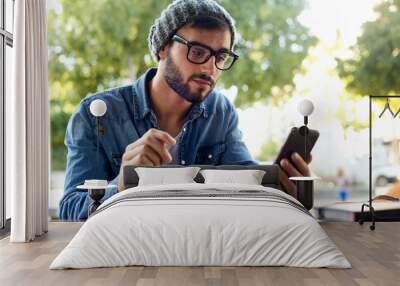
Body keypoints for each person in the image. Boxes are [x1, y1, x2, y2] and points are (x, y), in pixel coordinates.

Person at [59, 0, 312, 220]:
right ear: (163, 48)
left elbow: (246, 180)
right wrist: (120, 187)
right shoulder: (95, 115)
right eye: (198, 51)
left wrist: (279, 184)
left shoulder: (220, 112)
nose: (210, 68)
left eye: (221, 56)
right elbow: (69, 210)